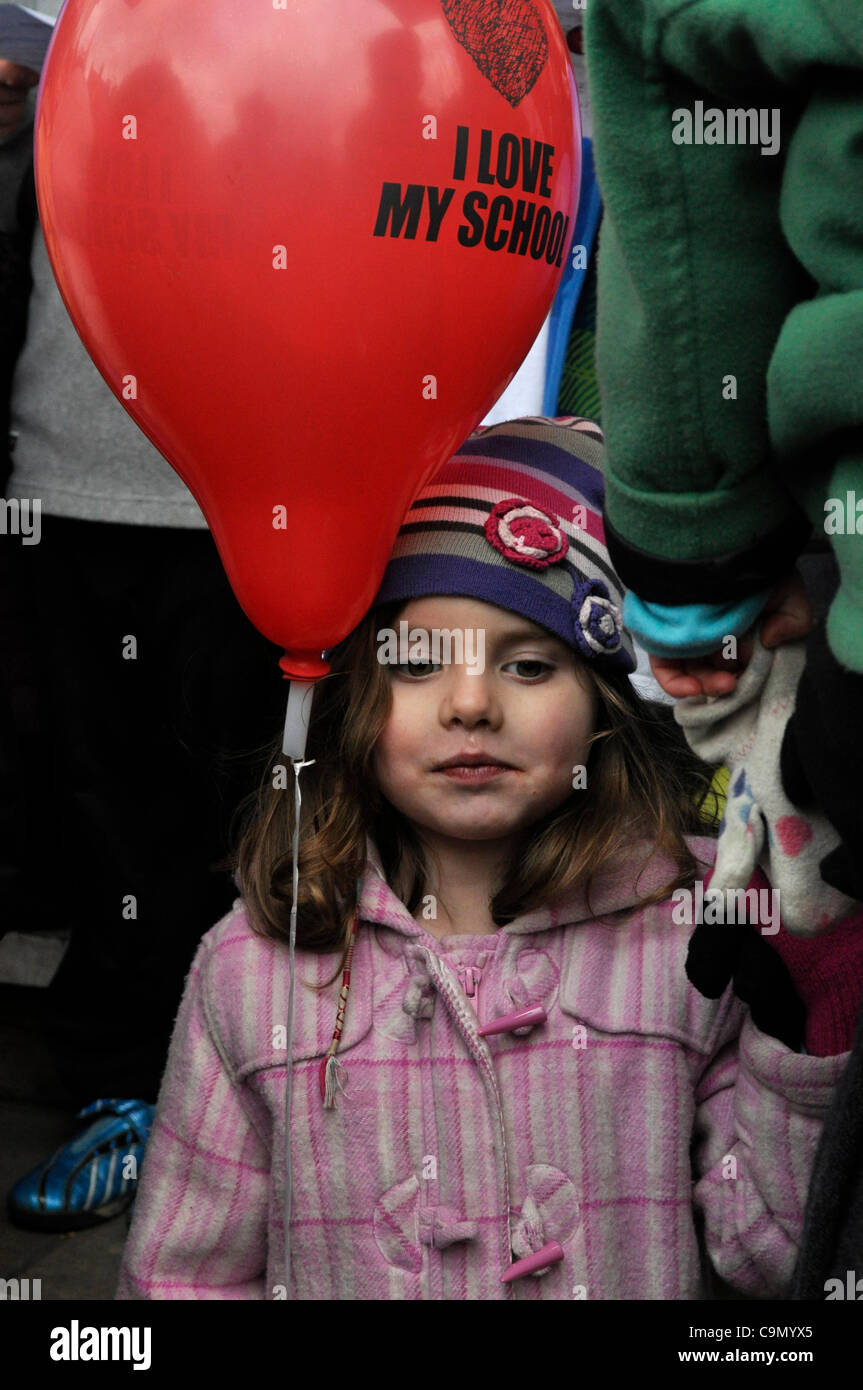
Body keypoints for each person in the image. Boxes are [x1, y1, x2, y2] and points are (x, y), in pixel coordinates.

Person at [113, 417, 863, 1300]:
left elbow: (775, 1258)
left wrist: (814, 1001)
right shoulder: (253, 968)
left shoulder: (699, 939)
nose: (470, 704)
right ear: (356, 697)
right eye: (419, 662)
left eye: (530, 667)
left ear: (603, 703)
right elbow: (181, 1282)